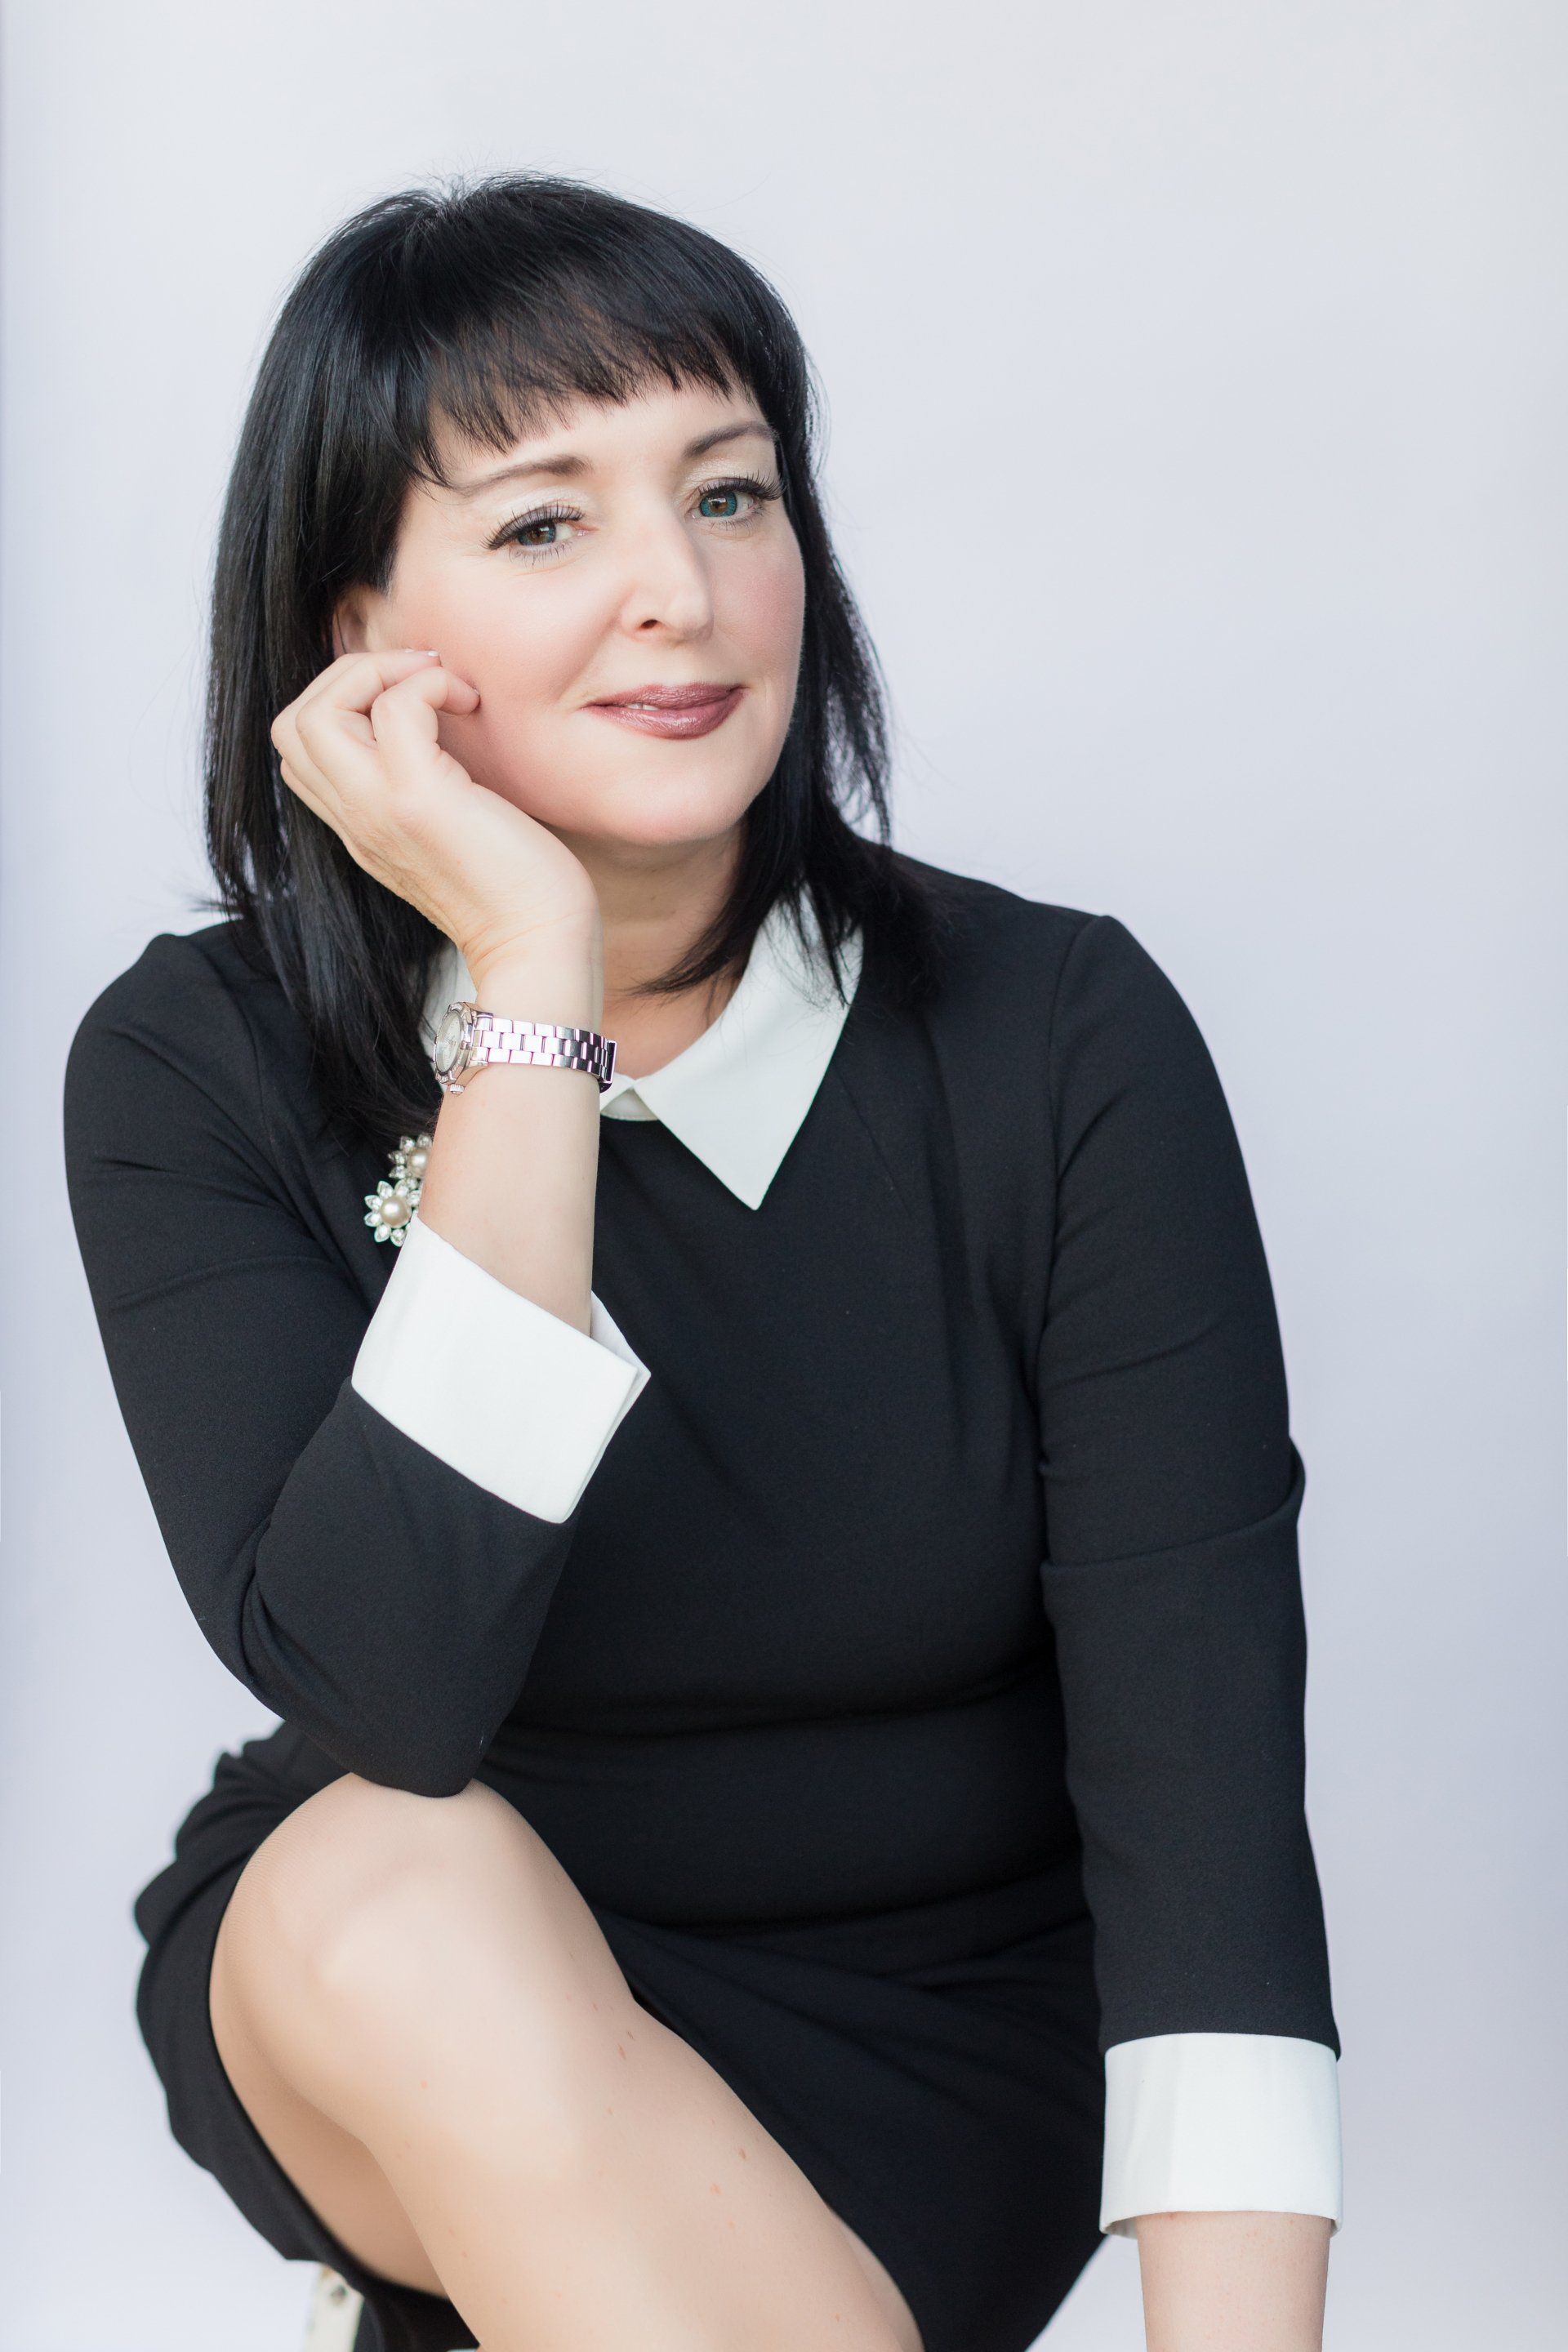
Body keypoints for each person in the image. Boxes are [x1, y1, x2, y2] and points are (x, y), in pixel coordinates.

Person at [64, 172, 1342, 2352]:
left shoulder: (1059, 1041)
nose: (683, 590)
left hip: (938, 2037)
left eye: (732, 495)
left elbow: (1203, 1804)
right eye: (547, 522)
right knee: (390, 1879)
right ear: (351, 623)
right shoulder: (199, 1066)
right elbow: (390, 1691)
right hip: (409, 1999)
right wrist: (531, 994)